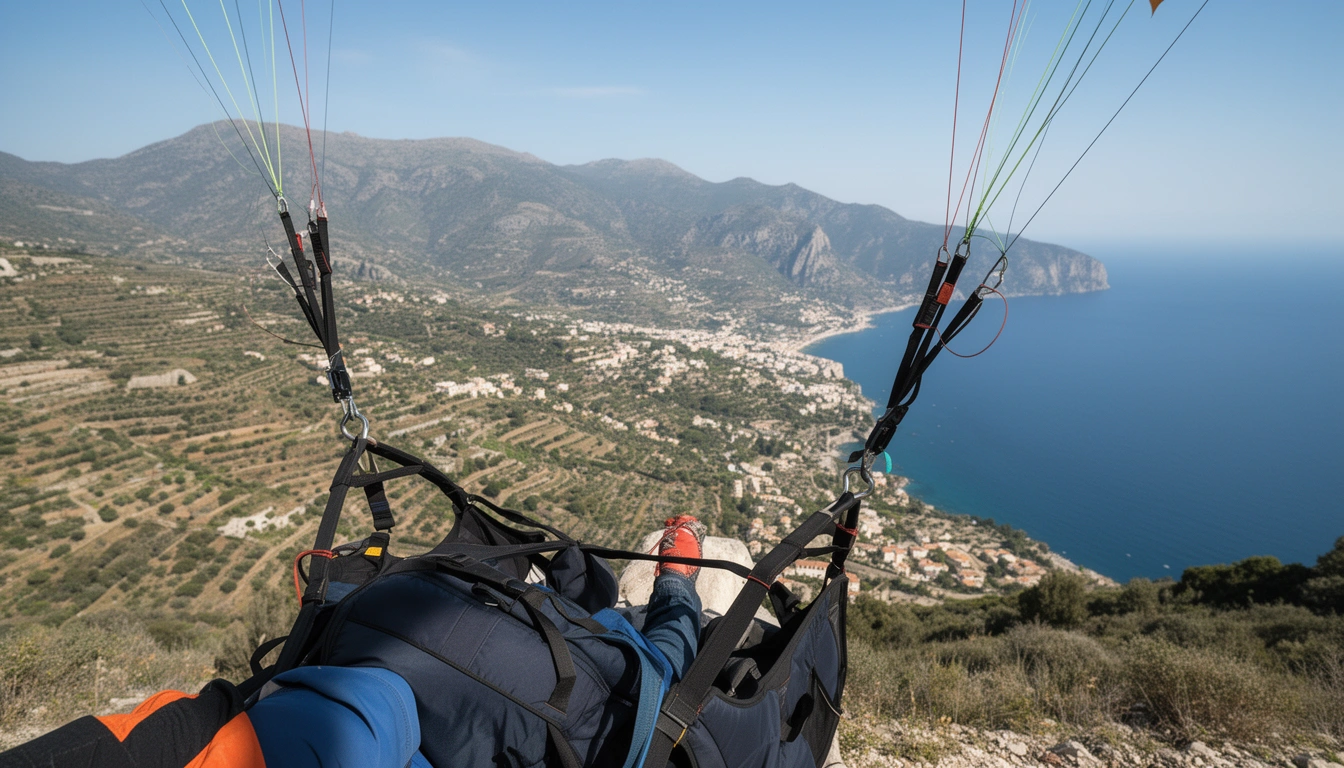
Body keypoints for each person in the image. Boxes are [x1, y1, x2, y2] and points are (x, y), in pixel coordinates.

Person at [0, 516, 709, 768]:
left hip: (396, 655)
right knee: (661, 643)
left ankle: (674, 564)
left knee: (651, 643)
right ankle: (678, 567)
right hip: (403, 654)